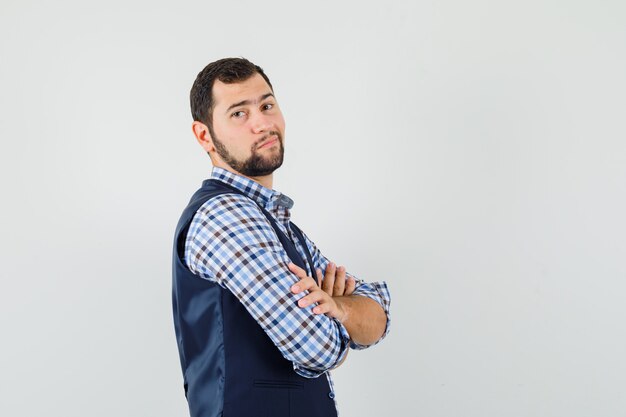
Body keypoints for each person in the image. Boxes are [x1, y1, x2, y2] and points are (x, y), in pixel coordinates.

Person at [172, 57, 391, 417]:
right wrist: (344, 323)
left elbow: (378, 315)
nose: (262, 123)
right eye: (239, 113)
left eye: (267, 105)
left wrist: (338, 308)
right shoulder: (225, 214)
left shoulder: (278, 224)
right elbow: (317, 347)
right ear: (204, 135)